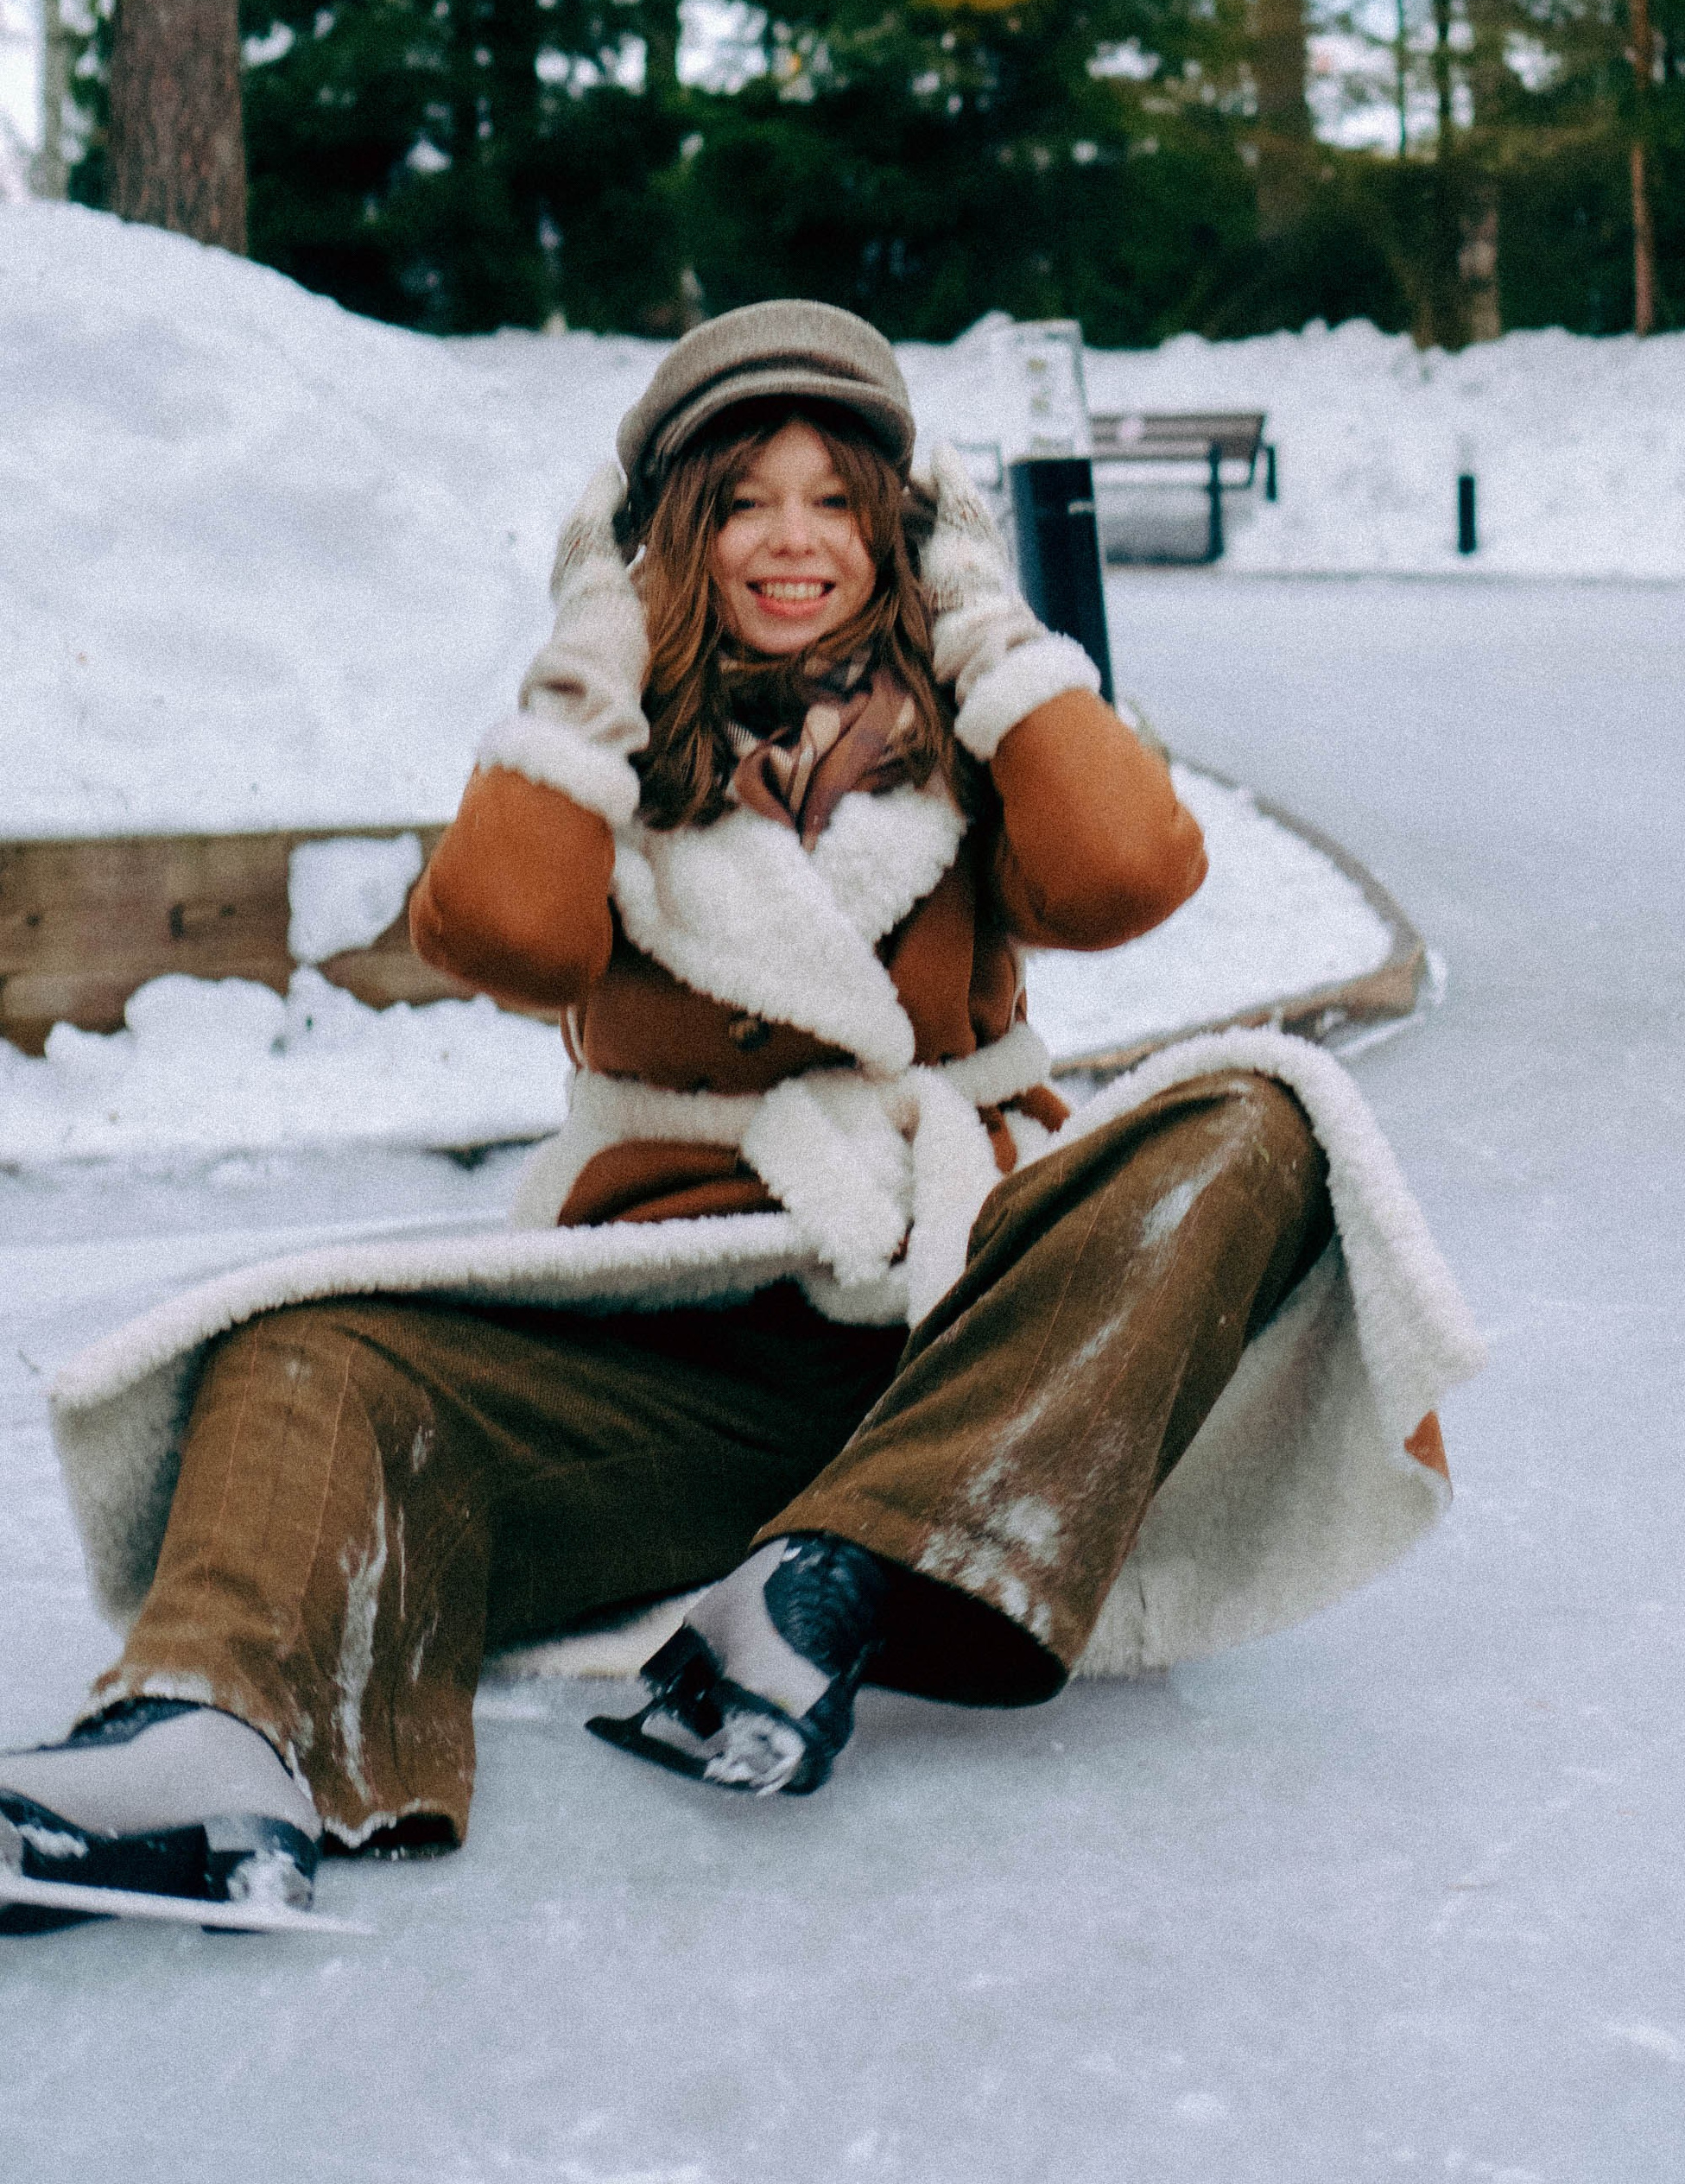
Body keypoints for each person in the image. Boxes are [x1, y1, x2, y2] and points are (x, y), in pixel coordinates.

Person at [6, 302, 1479, 1934]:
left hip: (957, 1331)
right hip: (681, 1352)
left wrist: (988, 629)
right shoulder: (604, 758)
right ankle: (202, 1738)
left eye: (841, 500)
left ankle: (819, 1590)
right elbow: (496, 935)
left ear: (898, 531)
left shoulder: (974, 749)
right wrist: (583, 672)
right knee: (306, 1352)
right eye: (745, 502)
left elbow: (1133, 873)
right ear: (674, 539)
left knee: (1263, 1115)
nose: (796, 543)